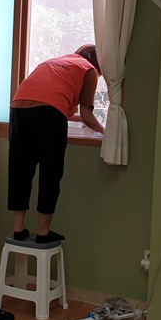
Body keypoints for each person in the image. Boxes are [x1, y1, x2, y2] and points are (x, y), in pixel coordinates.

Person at [7, 44, 105, 244]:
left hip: (18, 108)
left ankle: (19, 229)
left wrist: (77, 119)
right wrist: (107, 132)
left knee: (20, 170)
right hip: (49, 115)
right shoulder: (89, 70)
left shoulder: (54, 62)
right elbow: (86, 114)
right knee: (50, 172)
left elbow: (46, 103)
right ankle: (43, 232)